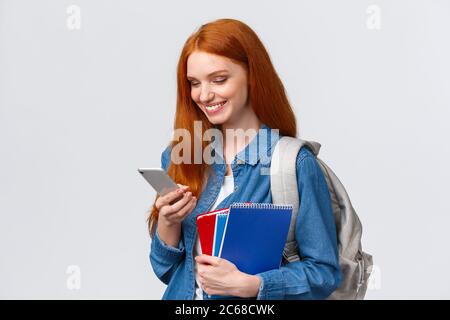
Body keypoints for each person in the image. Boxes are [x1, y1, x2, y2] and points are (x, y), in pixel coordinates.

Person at [148, 18, 341, 300]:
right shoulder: (181, 156)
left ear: (252, 75)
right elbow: (166, 270)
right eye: (194, 83)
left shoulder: (293, 164)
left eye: (219, 79)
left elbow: (324, 274)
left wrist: (252, 286)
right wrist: (168, 222)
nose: (204, 95)